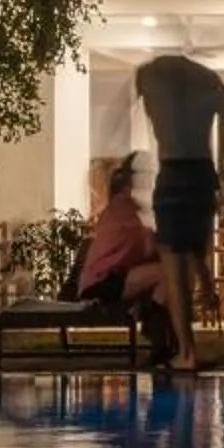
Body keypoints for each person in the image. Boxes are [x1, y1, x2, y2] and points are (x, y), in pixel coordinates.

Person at [131, 53, 224, 372]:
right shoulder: (210, 81)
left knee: (175, 274)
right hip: (202, 173)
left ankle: (186, 351)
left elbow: (134, 115)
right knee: (194, 253)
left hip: (174, 170)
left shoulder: (148, 76)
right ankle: (205, 286)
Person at [74, 153, 175, 363]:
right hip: (102, 284)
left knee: (160, 275)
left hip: (106, 279)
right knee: (166, 274)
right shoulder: (123, 209)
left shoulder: (118, 208)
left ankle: (159, 335)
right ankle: (157, 336)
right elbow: (146, 247)